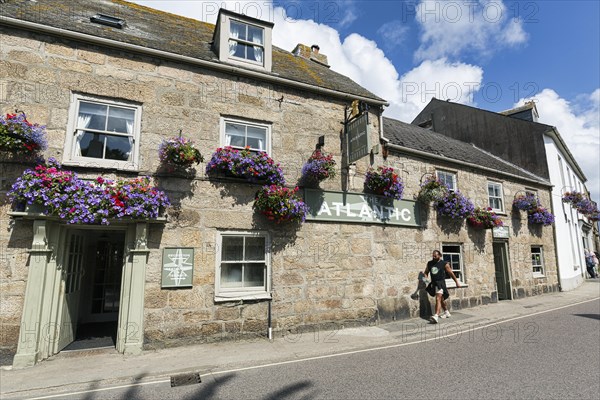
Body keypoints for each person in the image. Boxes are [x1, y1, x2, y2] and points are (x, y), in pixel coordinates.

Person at [424, 250, 461, 323]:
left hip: (440, 283)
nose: (434, 257)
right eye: (433, 255)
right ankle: (447, 312)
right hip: (434, 283)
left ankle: (436, 316)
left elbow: (451, 273)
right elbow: (426, 272)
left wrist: (457, 282)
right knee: (441, 299)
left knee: (438, 298)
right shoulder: (430, 263)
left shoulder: (444, 264)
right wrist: (426, 281)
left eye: (435, 256)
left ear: (440, 255)